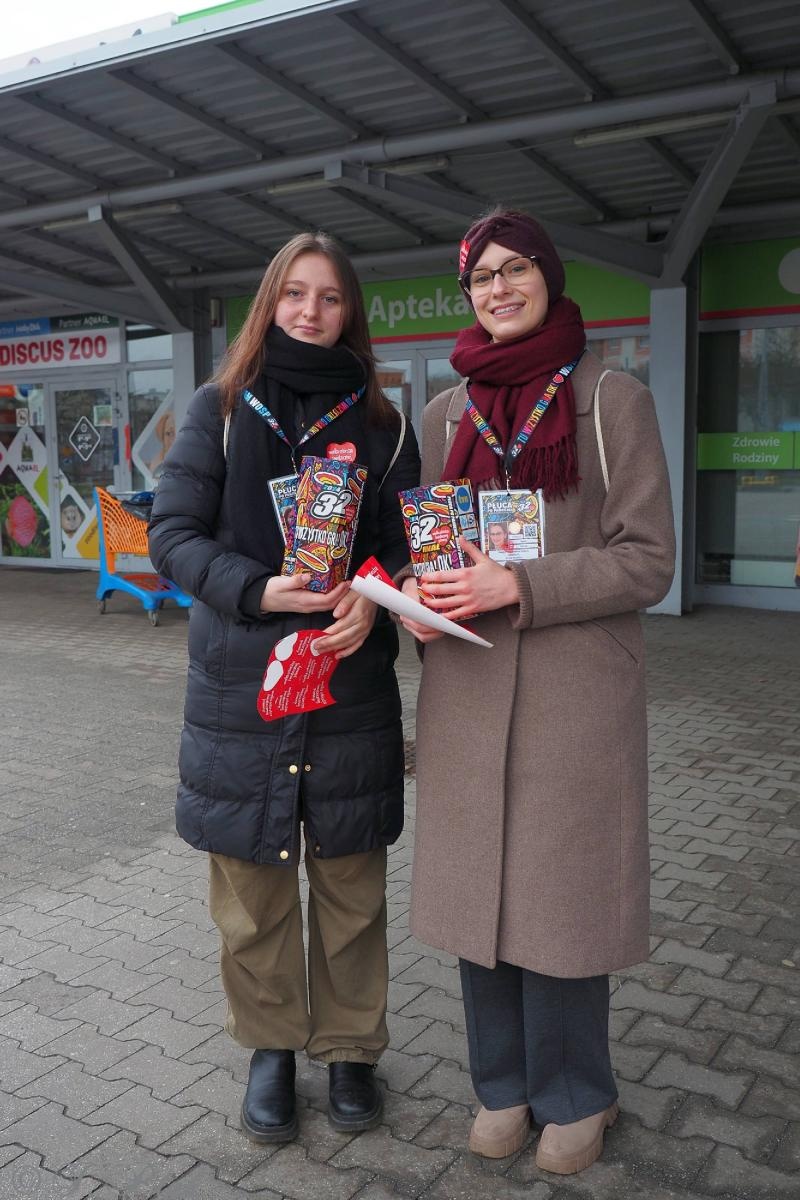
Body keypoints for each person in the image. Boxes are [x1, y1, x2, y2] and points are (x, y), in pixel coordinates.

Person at [398, 210, 675, 1175]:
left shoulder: (612, 400)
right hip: (470, 686)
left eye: (518, 271)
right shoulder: (443, 414)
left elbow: (649, 562)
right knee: (482, 902)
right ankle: (501, 1088)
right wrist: (417, 604)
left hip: (572, 692)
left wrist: (524, 583)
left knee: (563, 908)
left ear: (550, 279)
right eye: (482, 278)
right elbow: (435, 546)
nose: (500, 289)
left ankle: (576, 1097)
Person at [148, 231, 420, 1144]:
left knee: (349, 881)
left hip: (348, 691)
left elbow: (402, 547)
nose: (310, 310)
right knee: (252, 891)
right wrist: (257, 589)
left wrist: (372, 605)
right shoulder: (221, 408)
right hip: (242, 689)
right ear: (269, 304)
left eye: (329, 296)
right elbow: (174, 536)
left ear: (351, 311)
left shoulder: (381, 423)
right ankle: (271, 1050)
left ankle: (349, 1049)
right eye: (294, 294)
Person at [147, 408, 176, 479]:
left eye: (177, 433)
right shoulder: (157, 467)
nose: (173, 441)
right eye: (169, 434)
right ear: (162, 435)